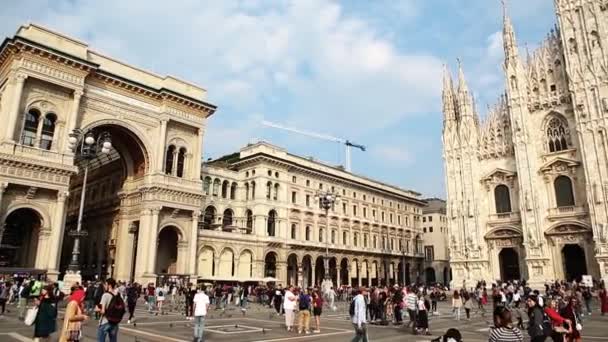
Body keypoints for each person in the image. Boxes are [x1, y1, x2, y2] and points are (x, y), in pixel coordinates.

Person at [96, 278, 122, 342]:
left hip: (105, 322)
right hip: (115, 322)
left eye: (106, 284)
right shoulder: (118, 295)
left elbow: (103, 311)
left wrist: (97, 309)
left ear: (109, 285)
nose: (104, 286)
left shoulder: (105, 295)